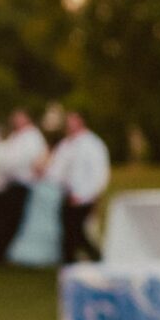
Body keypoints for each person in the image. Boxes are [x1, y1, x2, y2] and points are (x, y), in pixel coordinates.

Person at [47, 112, 112, 263]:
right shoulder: (66, 144)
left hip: (84, 197)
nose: (69, 126)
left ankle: (98, 259)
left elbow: (100, 174)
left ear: (81, 122)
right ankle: (70, 264)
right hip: (67, 195)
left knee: (79, 233)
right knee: (69, 234)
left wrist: (87, 195)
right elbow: (57, 170)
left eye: (73, 122)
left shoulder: (93, 144)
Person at [0, 107, 48, 260]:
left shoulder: (33, 136)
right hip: (10, 183)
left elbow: (35, 161)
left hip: (23, 183)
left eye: (20, 117)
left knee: (11, 220)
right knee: (2, 219)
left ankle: (1, 252)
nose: (16, 120)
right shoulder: (16, 136)